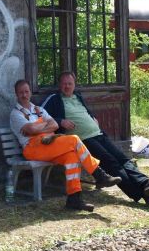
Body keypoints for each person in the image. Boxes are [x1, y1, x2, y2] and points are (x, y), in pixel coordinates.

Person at [42, 72, 149, 204]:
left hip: (98, 134)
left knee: (123, 159)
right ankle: (141, 192)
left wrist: (93, 119)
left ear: (75, 85)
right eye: (64, 83)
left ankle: (145, 183)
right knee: (111, 163)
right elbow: (40, 115)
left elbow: (86, 112)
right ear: (60, 85)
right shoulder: (54, 99)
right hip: (82, 140)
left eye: (70, 83)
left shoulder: (78, 97)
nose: (67, 86)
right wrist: (60, 121)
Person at [10, 79, 122, 212]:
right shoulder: (15, 114)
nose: (24, 95)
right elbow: (31, 130)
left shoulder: (38, 109)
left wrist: (37, 127)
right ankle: (99, 175)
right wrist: (44, 126)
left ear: (30, 93)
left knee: (72, 157)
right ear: (16, 94)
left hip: (49, 144)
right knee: (74, 139)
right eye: (21, 92)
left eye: (26, 91)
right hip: (33, 148)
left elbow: (55, 125)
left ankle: (74, 199)